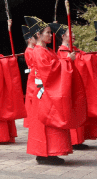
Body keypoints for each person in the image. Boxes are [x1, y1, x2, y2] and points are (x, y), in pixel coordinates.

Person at [22, 16, 87, 164]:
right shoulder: (38, 51)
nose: (50, 35)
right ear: (38, 35)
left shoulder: (47, 50)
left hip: (47, 91)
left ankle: (51, 152)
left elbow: (55, 65)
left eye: (51, 32)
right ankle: (44, 154)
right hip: (43, 92)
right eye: (47, 32)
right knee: (47, 121)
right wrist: (67, 61)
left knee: (52, 120)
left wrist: (64, 61)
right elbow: (50, 71)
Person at [55, 24, 97, 148]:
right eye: (70, 33)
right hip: (71, 85)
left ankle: (80, 138)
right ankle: (75, 140)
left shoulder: (75, 49)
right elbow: (78, 62)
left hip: (80, 84)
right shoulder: (62, 51)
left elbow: (84, 57)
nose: (74, 35)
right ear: (63, 36)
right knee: (74, 110)